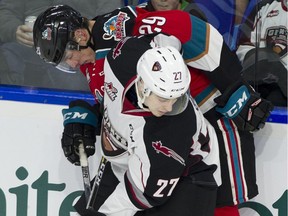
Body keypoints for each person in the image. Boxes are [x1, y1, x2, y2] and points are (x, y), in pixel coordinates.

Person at [33, 3, 274, 215]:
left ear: (80, 34)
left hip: (209, 111)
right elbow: (123, 100)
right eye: (64, 62)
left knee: (220, 199)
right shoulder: (89, 56)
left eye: (68, 55)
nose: (72, 64)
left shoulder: (116, 28)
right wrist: (89, 117)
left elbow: (186, 26)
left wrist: (234, 86)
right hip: (160, 130)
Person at [67, 33, 221, 215]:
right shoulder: (124, 55)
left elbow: (145, 195)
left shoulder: (169, 131)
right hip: (132, 159)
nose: (170, 106)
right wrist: (92, 113)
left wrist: (104, 211)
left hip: (188, 176)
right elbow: (163, 38)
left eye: (176, 97)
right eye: (164, 98)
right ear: (143, 84)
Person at [0, 0, 124, 90]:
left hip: (76, 45)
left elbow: (110, 12)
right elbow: (5, 10)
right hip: (32, 45)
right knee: (7, 56)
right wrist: (14, 30)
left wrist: (85, 32)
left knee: (73, 79)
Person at [236, 0, 287, 107]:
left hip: (283, 92)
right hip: (260, 80)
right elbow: (243, 48)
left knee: (275, 100)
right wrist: (269, 64)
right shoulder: (263, 7)